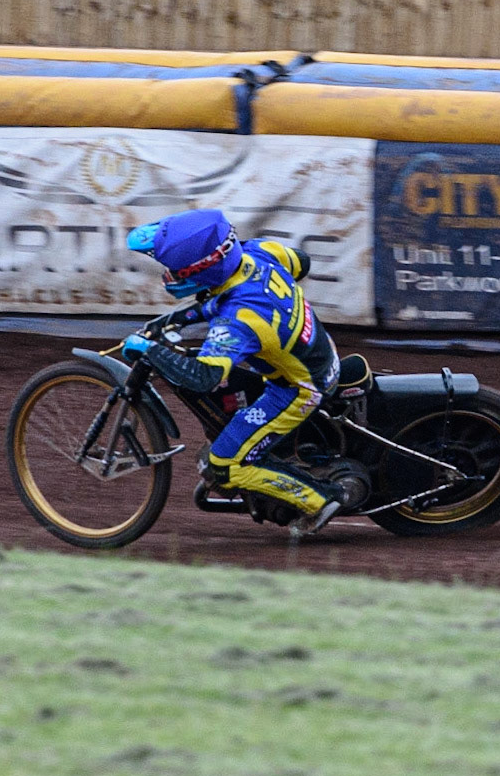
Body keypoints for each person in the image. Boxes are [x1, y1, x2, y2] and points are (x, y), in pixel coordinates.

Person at [122, 209, 346, 538]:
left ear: (202, 269)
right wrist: (175, 320)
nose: (170, 275)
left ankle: (319, 500)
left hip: (297, 389)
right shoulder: (257, 251)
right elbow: (301, 262)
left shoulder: (240, 319)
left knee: (224, 466)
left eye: (176, 270)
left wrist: (149, 350)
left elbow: (204, 378)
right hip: (319, 352)